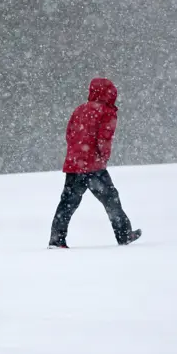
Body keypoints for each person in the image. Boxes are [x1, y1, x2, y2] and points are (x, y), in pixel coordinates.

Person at [48, 78, 141, 248]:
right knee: (111, 199)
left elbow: (69, 134)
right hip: (93, 166)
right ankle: (124, 235)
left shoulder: (79, 109)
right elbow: (104, 139)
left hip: (74, 164)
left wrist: (76, 154)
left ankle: (56, 239)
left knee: (67, 203)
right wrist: (102, 158)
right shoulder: (106, 112)